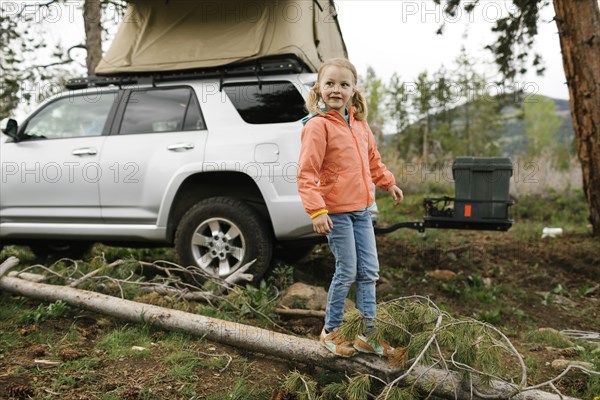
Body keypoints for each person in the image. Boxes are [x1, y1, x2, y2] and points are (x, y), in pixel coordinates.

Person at [297, 58, 404, 357]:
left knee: (369, 271)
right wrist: (317, 211)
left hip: (361, 211)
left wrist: (388, 182)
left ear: (353, 89)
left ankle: (369, 335)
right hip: (335, 213)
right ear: (319, 88)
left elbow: (372, 160)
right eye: (330, 83)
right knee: (347, 271)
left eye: (344, 84)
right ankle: (330, 331)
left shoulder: (359, 125)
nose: (336, 89)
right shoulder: (318, 127)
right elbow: (306, 173)